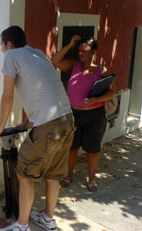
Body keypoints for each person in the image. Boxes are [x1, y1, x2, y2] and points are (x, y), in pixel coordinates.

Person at [0, 26, 75, 231]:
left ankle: (22, 226)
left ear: (9, 44)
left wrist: (0, 127)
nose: (2, 50)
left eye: (2, 46)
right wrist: (27, 123)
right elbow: (41, 90)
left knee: (24, 173)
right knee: (53, 173)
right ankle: (47, 218)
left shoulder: (11, 56)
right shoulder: (38, 54)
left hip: (49, 124)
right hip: (68, 118)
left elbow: (8, 96)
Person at [52, 35, 116, 192]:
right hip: (74, 114)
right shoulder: (73, 65)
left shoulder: (101, 70)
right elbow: (55, 61)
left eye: (85, 51)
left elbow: (112, 92)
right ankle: (68, 176)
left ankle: (92, 179)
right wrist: (69, 45)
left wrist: (96, 100)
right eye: (79, 51)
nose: (81, 53)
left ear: (93, 51)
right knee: (72, 148)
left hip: (95, 115)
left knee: (93, 149)